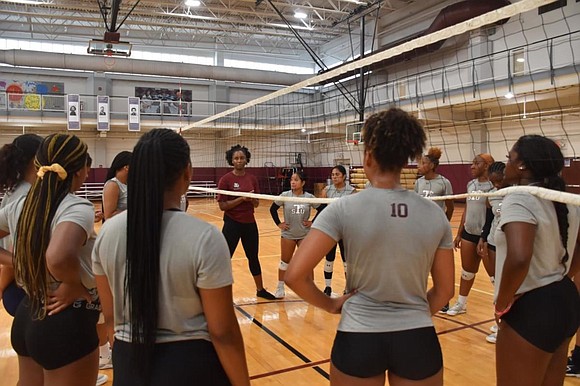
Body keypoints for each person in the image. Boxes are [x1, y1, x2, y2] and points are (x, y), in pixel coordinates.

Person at [285, 108, 454, 386]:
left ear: (368, 156)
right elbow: (445, 290)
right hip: (417, 338)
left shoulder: (342, 209)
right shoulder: (434, 214)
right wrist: (416, 314)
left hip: (358, 335)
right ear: (406, 159)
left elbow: (294, 276)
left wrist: (330, 305)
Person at [92, 129, 250, 386]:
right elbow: (223, 332)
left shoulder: (107, 233)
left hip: (129, 359)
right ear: (187, 172)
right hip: (191, 364)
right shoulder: (205, 237)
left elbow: (110, 319)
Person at [0, 134, 100, 386]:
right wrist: (70, 283)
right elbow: (58, 256)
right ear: (79, 170)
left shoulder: (22, 202)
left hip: (28, 310)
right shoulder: (76, 206)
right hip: (64, 319)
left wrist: (18, 262)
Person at [494, 135, 580, 386]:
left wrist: (502, 302)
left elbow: (520, 257)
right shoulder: (565, 199)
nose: (506, 164)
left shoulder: (519, 197)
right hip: (566, 299)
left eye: (509, 158)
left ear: (522, 166)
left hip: (532, 306)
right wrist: (561, 276)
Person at [217, 144, 276, 300]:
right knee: (225, 258)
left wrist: (251, 200)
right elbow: (222, 206)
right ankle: (218, 292)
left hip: (249, 223)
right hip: (232, 223)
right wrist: (240, 199)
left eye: (242, 158)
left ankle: (260, 289)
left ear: (246, 159)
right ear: (231, 160)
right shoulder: (226, 180)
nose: (239, 160)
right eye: (236, 158)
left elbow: (257, 203)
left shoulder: (252, 179)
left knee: (253, 257)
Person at [0, 134, 43, 316]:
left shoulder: (16, 190)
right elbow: (15, 247)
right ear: (36, 160)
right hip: (23, 290)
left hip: (18, 285)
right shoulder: (26, 196)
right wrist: (19, 265)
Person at [447, 153, 494, 316]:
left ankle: (501, 313)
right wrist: (460, 233)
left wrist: (485, 236)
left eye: (476, 163)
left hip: (487, 237)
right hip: (469, 233)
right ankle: (461, 304)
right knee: (467, 272)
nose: (472, 166)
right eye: (472, 163)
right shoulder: (471, 184)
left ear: (487, 165)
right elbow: (467, 208)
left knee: (495, 277)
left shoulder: (493, 187)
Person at [269, 171, 321, 299]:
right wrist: (279, 224)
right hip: (288, 234)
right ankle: (280, 288)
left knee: (307, 263)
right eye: (291, 179)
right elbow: (272, 209)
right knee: (284, 262)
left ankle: (311, 289)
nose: (292, 182)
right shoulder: (285, 195)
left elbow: (321, 208)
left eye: (296, 180)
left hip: (304, 234)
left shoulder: (309, 197)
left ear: (302, 183)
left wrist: (312, 222)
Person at [415, 147, 454, 313]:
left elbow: (450, 206)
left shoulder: (444, 182)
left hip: (437, 231)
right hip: (420, 230)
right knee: (420, 265)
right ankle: (419, 297)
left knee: (439, 266)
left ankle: (443, 299)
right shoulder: (419, 182)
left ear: (431, 165)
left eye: (423, 163)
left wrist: (444, 224)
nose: (419, 166)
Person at [476, 161, 506, 344]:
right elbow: (489, 219)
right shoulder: (492, 196)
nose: (496, 185)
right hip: (494, 242)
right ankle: (500, 322)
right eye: (493, 182)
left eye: (499, 181)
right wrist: (483, 238)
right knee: (497, 284)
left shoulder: (516, 193)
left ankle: (504, 325)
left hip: (511, 245)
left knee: (507, 286)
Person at [320, 165, 356, 296]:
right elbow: (322, 211)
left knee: (347, 260)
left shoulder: (351, 191)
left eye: (337, 174)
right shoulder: (326, 190)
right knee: (329, 258)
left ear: (344, 176)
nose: (334, 177)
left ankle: (348, 287)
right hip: (331, 230)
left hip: (345, 231)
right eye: (333, 175)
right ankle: (328, 287)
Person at [102, 151, 131, 220]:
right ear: (126, 167)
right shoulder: (113, 185)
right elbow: (109, 215)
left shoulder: (128, 184)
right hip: (117, 228)